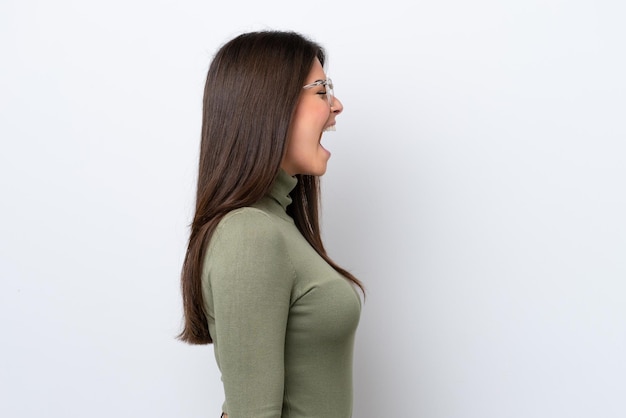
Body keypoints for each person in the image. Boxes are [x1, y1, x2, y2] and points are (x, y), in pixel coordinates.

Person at [178, 30, 364, 418]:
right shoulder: (250, 233)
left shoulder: (275, 223)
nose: (337, 105)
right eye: (321, 90)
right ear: (269, 104)